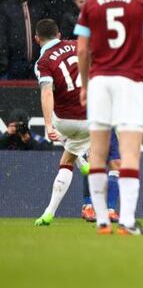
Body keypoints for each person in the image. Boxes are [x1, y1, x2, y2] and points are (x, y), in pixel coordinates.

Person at [75, 0, 143, 235]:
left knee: (98, 154)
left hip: (100, 81)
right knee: (129, 154)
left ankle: (102, 220)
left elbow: (82, 50)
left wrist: (85, 85)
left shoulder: (91, 2)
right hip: (130, 81)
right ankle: (126, 221)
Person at [32, 19, 92, 226]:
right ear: (58, 34)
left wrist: (49, 125)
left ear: (37, 39)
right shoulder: (77, 44)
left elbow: (47, 92)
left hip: (65, 121)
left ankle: (49, 212)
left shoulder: (43, 62)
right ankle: (82, 161)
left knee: (66, 159)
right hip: (91, 116)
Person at [0, 0, 48, 79]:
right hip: (15, 61)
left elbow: (46, 31)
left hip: (37, 60)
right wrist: (3, 60)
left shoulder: (39, 6)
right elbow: (2, 35)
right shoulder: (6, 7)